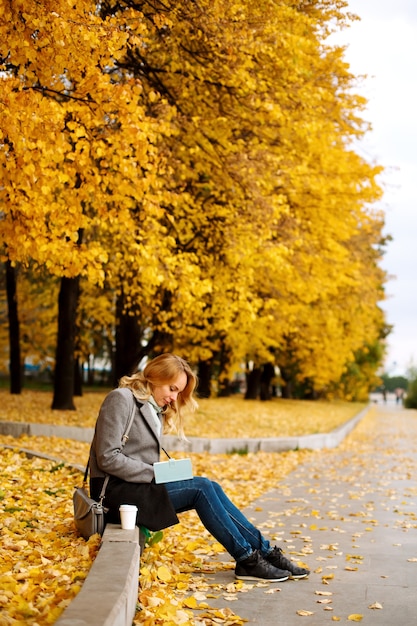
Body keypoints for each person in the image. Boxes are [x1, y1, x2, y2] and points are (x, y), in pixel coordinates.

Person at [89, 353, 310, 582]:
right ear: (155, 377)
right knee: (201, 487)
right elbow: (107, 456)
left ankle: (265, 552)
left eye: (178, 392)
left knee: (209, 485)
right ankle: (247, 559)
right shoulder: (121, 399)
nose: (174, 398)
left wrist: (163, 472)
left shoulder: (151, 407)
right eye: (172, 389)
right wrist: (156, 473)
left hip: (137, 487)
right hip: (115, 491)